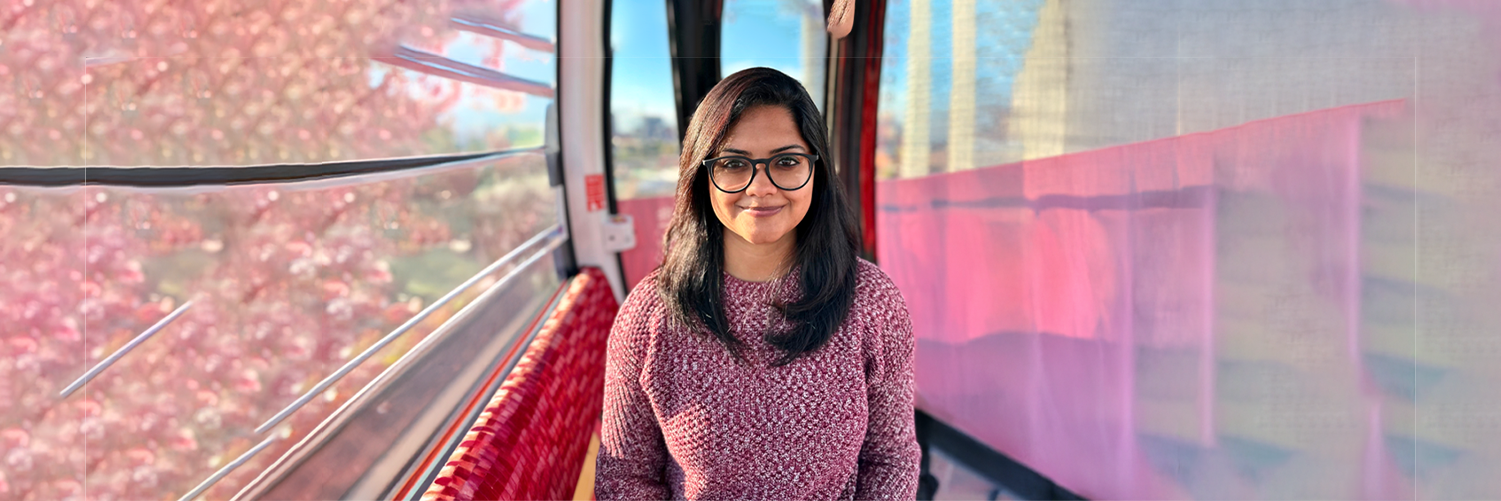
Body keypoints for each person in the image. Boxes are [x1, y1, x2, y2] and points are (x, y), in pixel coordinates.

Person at [594, 67, 920, 499]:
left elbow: (892, 459)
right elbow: (624, 479)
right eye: (733, 164)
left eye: (786, 162)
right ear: (702, 175)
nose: (760, 187)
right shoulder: (651, 314)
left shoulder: (871, 300)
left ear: (816, 169)